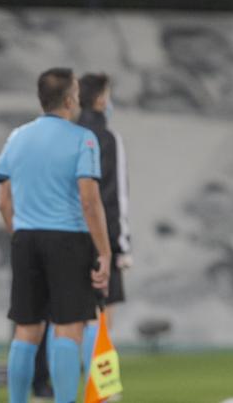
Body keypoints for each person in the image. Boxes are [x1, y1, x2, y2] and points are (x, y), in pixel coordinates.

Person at [0, 68, 111, 403]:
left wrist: (20, 236)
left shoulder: (17, 137)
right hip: (68, 241)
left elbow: (4, 202)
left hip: (26, 240)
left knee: (26, 330)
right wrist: (104, 252)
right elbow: (90, 201)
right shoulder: (83, 138)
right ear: (71, 97)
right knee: (68, 328)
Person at [77, 72, 131, 329]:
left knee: (66, 321)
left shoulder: (64, 135)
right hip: (100, 240)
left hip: (62, 237)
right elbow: (114, 196)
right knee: (101, 316)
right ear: (99, 100)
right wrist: (121, 247)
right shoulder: (107, 139)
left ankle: (62, 370)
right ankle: (95, 370)